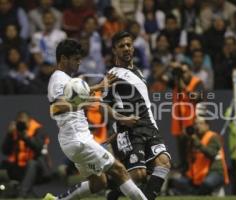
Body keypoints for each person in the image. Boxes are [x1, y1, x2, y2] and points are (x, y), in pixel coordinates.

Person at [43, 39, 147, 200]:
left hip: (75, 140)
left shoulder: (65, 79)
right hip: (78, 140)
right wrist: (87, 102)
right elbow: (57, 107)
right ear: (63, 59)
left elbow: (72, 96)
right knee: (119, 170)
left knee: (98, 182)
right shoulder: (58, 78)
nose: (80, 62)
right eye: (76, 59)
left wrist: (95, 88)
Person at [102, 31, 171, 200]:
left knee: (164, 163)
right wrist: (121, 119)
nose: (126, 48)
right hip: (130, 130)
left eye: (129, 45)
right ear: (114, 50)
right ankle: (114, 194)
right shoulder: (112, 75)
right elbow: (103, 105)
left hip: (149, 126)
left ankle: (115, 193)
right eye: (121, 46)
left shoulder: (139, 72)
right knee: (139, 175)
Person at [169, 115, 229, 195]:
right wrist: (185, 136)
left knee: (207, 184)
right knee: (176, 181)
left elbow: (211, 153)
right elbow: (186, 156)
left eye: (200, 123)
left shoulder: (213, 137)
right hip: (197, 174)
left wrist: (196, 141)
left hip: (214, 171)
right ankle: (196, 194)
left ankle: (195, 194)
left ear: (207, 125)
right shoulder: (193, 138)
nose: (197, 126)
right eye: (196, 124)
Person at [1, 111, 51, 198]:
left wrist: (26, 137)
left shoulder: (38, 130)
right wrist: (9, 135)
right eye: (19, 123)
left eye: (23, 123)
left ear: (29, 121)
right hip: (18, 167)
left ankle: (22, 195)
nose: (21, 125)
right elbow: (5, 151)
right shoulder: (15, 131)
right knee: (3, 166)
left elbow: (39, 149)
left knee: (32, 164)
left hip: (37, 170)